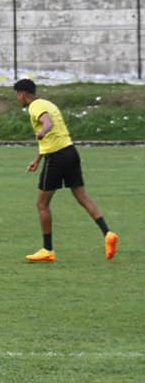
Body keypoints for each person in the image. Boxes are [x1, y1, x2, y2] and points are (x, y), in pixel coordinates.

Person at [13, 79, 118, 262]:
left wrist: (42, 131)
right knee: (82, 197)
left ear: (23, 93)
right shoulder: (49, 103)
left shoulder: (35, 106)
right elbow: (56, 135)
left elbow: (48, 124)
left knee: (42, 204)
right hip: (70, 152)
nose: (17, 98)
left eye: (17, 95)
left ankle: (48, 249)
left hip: (56, 158)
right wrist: (37, 159)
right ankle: (107, 233)